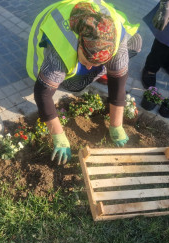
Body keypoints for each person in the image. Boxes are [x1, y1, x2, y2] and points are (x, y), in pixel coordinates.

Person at [26, 1, 142, 164]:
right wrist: (58, 136)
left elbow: (119, 82)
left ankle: (102, 68)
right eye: (87, 61)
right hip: (53, 33)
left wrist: (116, 126)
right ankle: (94, 70)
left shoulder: (117, 39)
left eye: (97, 64)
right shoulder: (60, 50)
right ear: (79, 45)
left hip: (90, 22)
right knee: (77, 85)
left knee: (135, 45)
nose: (89, 66)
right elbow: (42, 93)